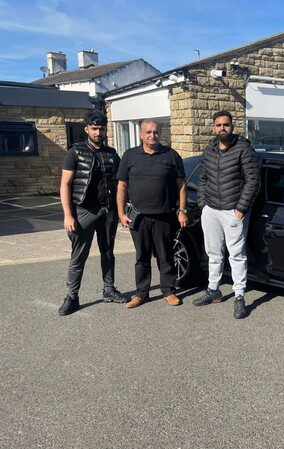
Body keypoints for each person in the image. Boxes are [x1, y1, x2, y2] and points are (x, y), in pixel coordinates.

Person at [58, 110, 129, 316]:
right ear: (87, 129)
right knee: (78, 256)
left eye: (102, 129)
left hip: (108, 211)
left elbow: (120, 183)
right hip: (83, 212)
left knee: (108, 253)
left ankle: (109, 290)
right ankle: (72, 296)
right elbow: (65, 185)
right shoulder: (75, 152)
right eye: (95, 128)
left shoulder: (111, 153)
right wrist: (68, 215)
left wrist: (122, 209)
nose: (98, 132)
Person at [192, 110, 260, 319]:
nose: (223, 128)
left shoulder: (243, 148)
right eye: (219, 125)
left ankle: (239, 295)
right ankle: (214, 289)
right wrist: (204, 205)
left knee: (237, 255)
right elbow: (202, 177)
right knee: (213, 253)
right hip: (211, 209)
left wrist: (240, 210)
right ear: (213, 128)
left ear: (232, 127)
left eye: (226, 124)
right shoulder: (210, 148)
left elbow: (252, 181)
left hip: (233, 210)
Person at [116, 119, 187, 308]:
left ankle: (168, 291)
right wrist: (121, 212)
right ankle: (141, 293)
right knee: (142, 257)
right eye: (148, 132)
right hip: (138, 217)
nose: (152, 135)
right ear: (141, 134)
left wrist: (182, 210)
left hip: (164, 215)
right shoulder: (130, 156)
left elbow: (181, 185)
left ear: (160, 134)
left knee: (166, 255)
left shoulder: (171, 155)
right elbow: (122, 186)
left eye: (155, 132)